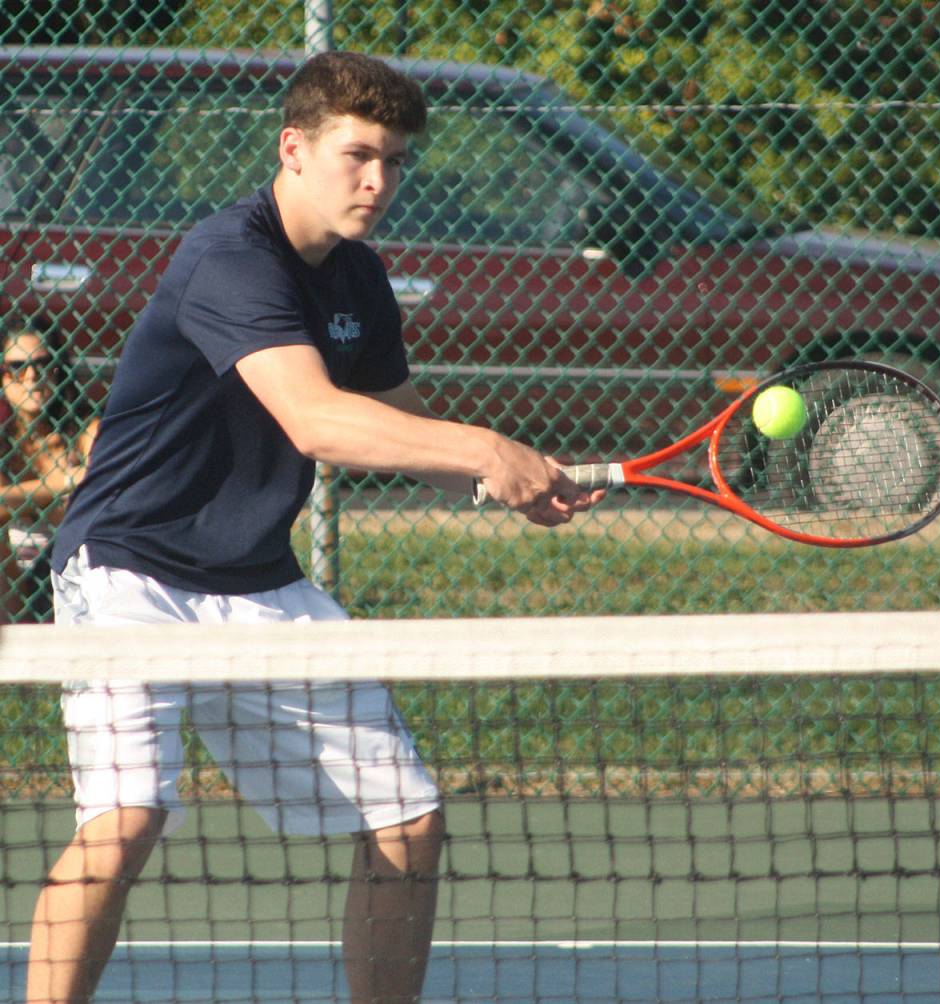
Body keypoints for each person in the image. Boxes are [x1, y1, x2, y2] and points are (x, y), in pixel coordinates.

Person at [25, 51, 599, 1004]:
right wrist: (484, 445)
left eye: (397, 162)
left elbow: (401, 425)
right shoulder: (231, 258)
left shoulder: (360, 280)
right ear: (294, 148)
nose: (379, 181)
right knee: (124, 818)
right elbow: (317, 420)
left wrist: (510, 478)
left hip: (255, 578)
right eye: (359, 155)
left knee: (408, 821)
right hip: (129, 572)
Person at [0, 320, 96, 623]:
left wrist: (19, 497)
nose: (32, 376)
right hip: (11, 570)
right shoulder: (4, 444)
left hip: (73, 560)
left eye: (43, 364)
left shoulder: (85, 430)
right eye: (17, 366)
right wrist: (62, 482)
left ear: (59, 369)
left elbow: (99, 490)